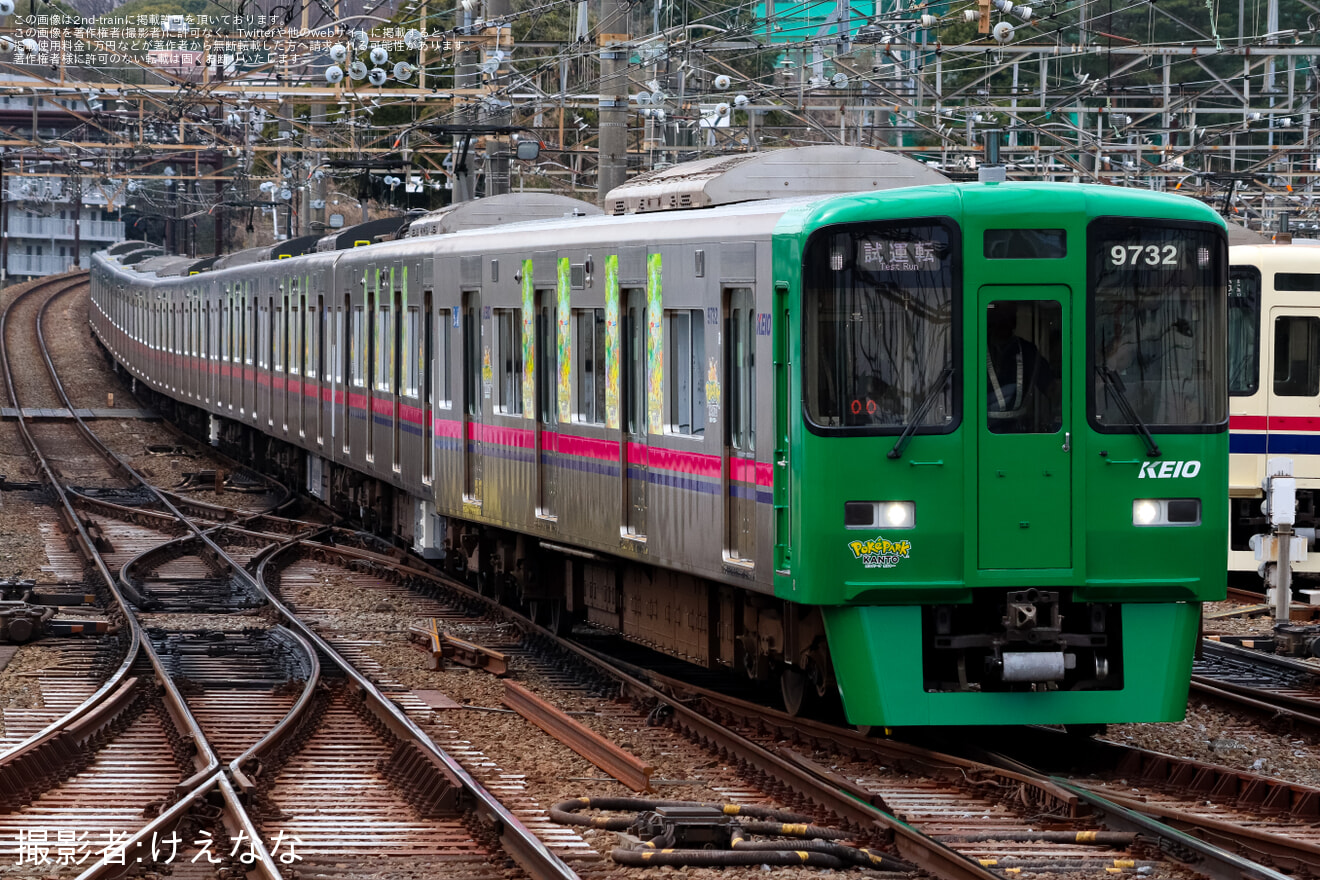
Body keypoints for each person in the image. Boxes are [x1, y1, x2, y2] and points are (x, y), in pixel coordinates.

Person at [987, 303, 1054, 433]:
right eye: (999, 317)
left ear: (1014, 322)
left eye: (1008, 317)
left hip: (1019, 428)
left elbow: (1050, 388)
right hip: (982, 427)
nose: (1003, 322)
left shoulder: (1028, 350)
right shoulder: (975, 348)